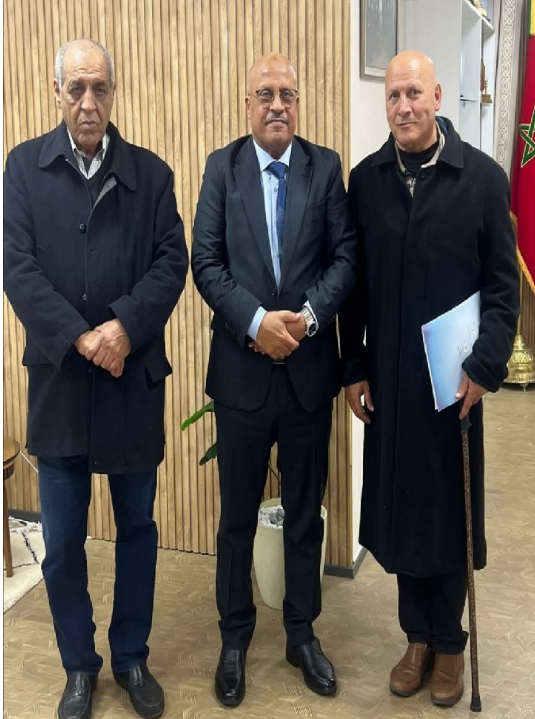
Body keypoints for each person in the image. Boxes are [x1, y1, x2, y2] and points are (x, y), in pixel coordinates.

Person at [4, 38, 188, 719]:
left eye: (100, 88)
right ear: (56, 91)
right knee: (60, 543)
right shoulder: (23, 168)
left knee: (137, 529)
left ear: (114, 93)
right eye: (76, 88)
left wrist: (123, 328)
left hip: (130, 382)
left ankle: (132, 656)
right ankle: (79, 666)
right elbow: (18, 268)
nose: (88, 102)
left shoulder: (152, 174)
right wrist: (82, 337)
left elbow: (172, 261)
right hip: (61, 385)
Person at [338, 50, 519, 708]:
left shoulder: (483, 180)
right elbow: (354, 290)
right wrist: (353, 366)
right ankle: (415, 637)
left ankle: (449, 645)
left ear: (438, 97)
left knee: (447, 518)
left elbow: (503, 291)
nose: (403, 106)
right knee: (400, 513)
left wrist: (485, 366)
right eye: (393, 96)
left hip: (453, 386)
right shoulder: (366, 181)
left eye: (414, 93)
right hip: (390, 382)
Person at [190, 52, 357, 706]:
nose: (277, 104)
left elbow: (346, 258)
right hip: (242, 375)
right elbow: (206, 262)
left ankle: (301, 633)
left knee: (305, 514)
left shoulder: (326, 168)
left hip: (308, 375)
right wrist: (258, 322)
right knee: (236, 515)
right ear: (248, 104)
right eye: (265, 94)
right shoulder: (221, 168)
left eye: (287, 93)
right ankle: (234, 638)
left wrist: (307, 320)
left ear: (298, 102)